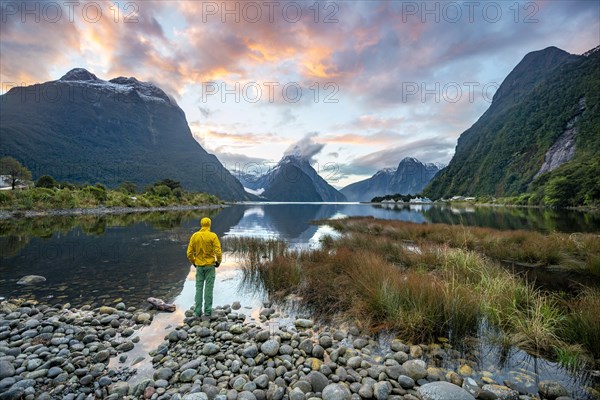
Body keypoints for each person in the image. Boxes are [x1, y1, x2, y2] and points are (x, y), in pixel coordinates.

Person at [186, 217, 222, 318]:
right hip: (210, 266)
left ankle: (197, 311)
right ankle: (207, 311)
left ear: (201, 224)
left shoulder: (195, 236)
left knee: (198, 288)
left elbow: (189, 253)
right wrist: (218, 262)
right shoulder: (213, 236)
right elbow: (218, 251)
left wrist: (194, 262)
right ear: (209, 224)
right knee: (209, 289)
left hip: (199, 266)